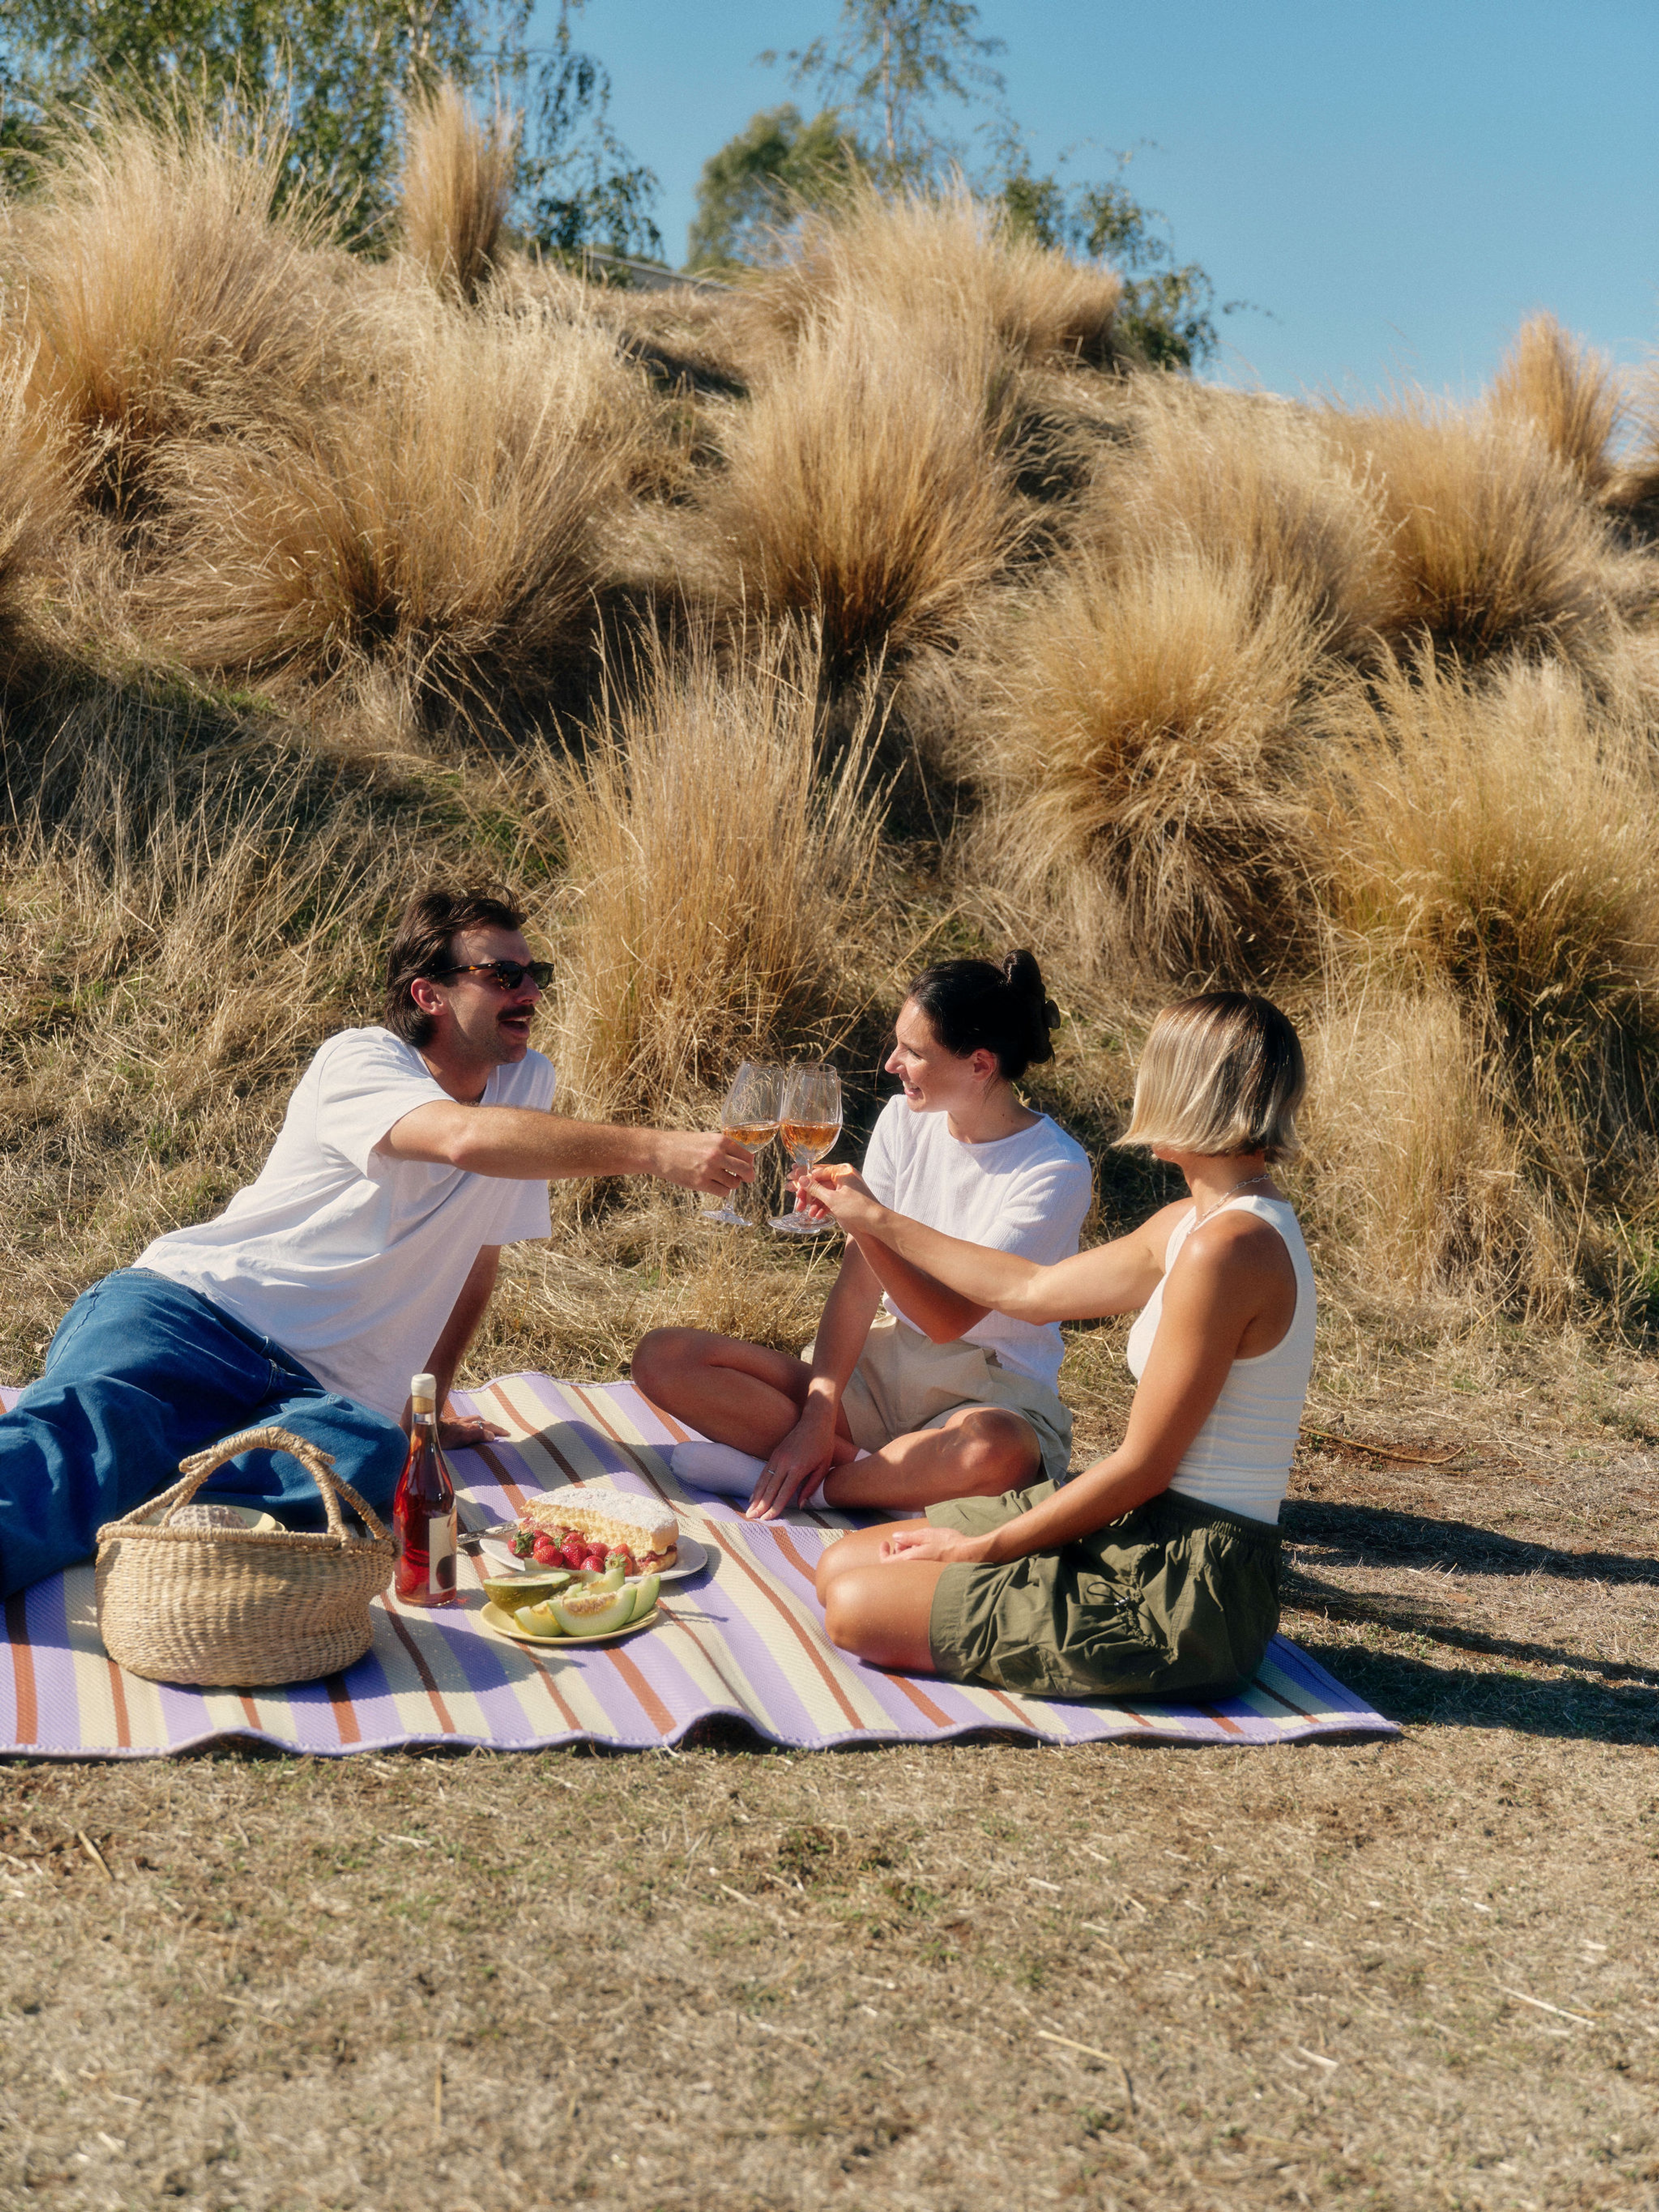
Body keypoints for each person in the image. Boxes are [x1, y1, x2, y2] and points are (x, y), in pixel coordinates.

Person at [0, 886, 753, 1598]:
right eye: (503, 974)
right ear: (430, 994)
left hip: (311, 1395)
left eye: (536, 974)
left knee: (370, 1462)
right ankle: (117, 1481)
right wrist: (657, 1150)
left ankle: (152, 1506)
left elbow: (475, 1261)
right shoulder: (359, 1059)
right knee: (90, 1437)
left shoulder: (528, 1084)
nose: (529, 991)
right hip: (192, 1317)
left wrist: (425, 1411)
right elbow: (459, 1137)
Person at [803, 992, 1314, 1701]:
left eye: (1154, 1071)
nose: (1141, 1090)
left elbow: (1143, 1466)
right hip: (1142, 1526)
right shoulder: (1194, 1222)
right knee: (841, 1567)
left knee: (858, 1606)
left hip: (1185, 1581)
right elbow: (1032, 1290)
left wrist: (984, 1547)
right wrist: (877, 1222)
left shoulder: (1230, 1250)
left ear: (1190, 1092)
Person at [632, 952, 1093, 1522]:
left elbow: (948, 1319)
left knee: (988, 1452)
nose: (892, 1062)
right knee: (664, 1358)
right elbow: (857, 1290)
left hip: (990, 1391)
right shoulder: (904, 1121)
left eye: (914, 1052)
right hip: (885, 1370)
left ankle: (815, 1485)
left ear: (979, 1064)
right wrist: (817, 1416)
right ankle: (876, 1475)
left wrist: (868, 1220)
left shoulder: (1054, 1169)